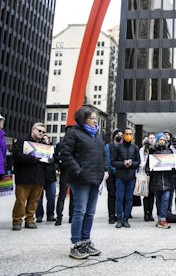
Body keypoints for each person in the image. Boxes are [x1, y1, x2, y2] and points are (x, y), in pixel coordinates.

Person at [61, 106, 108, 259]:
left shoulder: (97, 136)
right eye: (92, 118)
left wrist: (105, 170)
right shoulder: (73, 133)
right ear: (83, 119)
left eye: (96, 118)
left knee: (90, 212)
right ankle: (76, 244)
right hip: (80, 179)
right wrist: (77, 170)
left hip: (95, 178)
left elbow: (102, 155)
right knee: (79, 211)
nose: (95, 121)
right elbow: (65, 154)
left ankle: (86, 241)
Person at [11, 122, 48, 231]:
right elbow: (16, 156)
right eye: (39, 130)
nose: (41, 133)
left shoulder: (44, 145)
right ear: (33, 129)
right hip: (24, 176)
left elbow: (50, 160)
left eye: (43, 132)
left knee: (34, 201)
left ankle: (30, 219)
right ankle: (17, 220)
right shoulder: (22, 141)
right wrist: (34, 159)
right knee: (20, 200)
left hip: (39, 177)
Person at [112, 127, 140, 228]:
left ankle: (126, 219)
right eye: (126, 134)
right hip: (120, 176)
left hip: (131, 177)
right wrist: (123, 164)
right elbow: (113, 162)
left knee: (129, 199)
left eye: (130, 134)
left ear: (132, 136)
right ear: (123, 135)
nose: (128, 136)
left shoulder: (135, 148)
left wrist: (131, 164)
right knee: (119, 198)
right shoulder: (117, 147)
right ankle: (119, 219)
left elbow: (138, 162)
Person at [146, 132, 176, 229]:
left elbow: (175, 167)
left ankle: (163, 219)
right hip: (156, 181)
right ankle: (160, 218)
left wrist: (174, 169)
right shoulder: (153, 152)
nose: (162, 141)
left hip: (167, 181)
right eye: (160, 139)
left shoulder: (170, 152)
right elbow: (147, 167)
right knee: (158, 201)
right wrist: (150, 170)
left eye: (164, 140)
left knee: (165, 199)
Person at [53, 125, 74, 226]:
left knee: (74, 196)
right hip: (64, 171)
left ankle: (72, 216)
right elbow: (56, 159)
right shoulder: (60, 145)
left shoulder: (77, 144)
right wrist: (57, 168)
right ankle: (59, 217)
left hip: (74, 172)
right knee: (62, 195)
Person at [35, 134, 57, 223]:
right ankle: (39, 215)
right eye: (43, 139)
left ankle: (50, 215)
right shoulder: (37, 150)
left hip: (50, 176)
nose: (45, 140)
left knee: (51, 197)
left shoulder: (52, 150)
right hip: (39, 176)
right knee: (38, 198)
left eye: (46, 139)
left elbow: (56, 160)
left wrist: (54, 164)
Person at [105, 129, 123, 224]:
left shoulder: (123, 146)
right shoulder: (108, 146)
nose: (120, 136)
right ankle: (111, 215)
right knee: (112, 195)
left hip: (121, 174)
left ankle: (119, 214)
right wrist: (114, 170)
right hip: (111, 174)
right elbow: (107, 159)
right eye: (118, 134)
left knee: (119, 195)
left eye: (121, 135)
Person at [140, 134, 156, 221]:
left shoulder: (156, 149)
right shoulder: (143, 149)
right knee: (146, 194)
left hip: (154, 175)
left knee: (152, 194)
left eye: (153, 138)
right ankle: (145, 213)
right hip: (145, 174)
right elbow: (141, 162)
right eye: (151, 138)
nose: (152, 140)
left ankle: (150, 213)